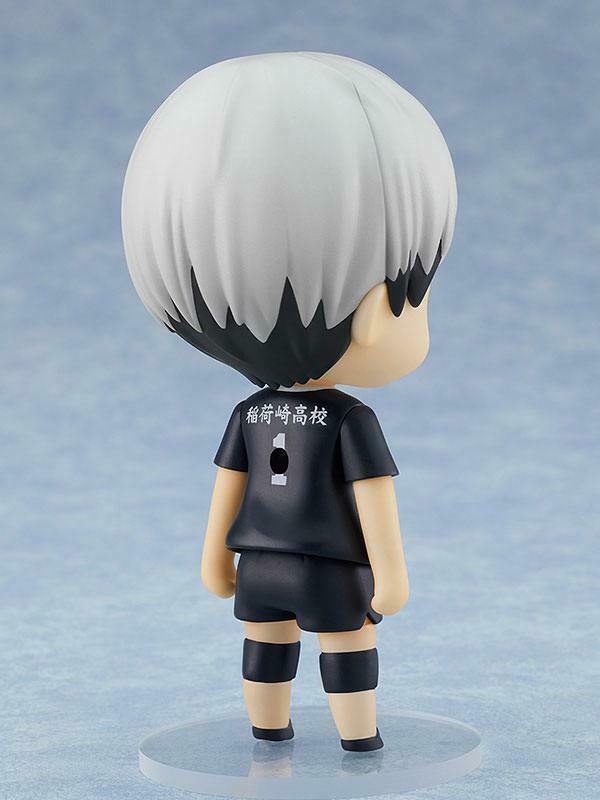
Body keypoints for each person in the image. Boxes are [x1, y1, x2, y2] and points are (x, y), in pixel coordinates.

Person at [122, 51, 457, 751]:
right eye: (421, 291)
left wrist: (214, 558)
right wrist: (393, 575)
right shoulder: (350, 419)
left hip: (259, 563)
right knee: (348, 649)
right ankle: (357, 739)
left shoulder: (249, 415)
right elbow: (373, 499)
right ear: (377, 311)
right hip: (331, 568)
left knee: (265, 645)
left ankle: (268, 726)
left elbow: (228, 484)